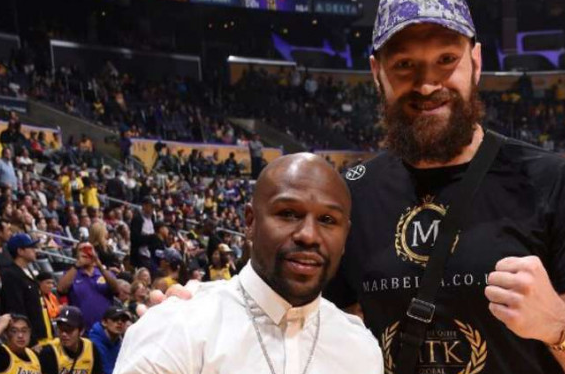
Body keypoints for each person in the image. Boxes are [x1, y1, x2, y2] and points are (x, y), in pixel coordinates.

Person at [324, 0, 565, 374]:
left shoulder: (552, 181)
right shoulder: (351, 194)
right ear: (377, 72)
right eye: (405, 65)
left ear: (475, 62)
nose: (427, 84)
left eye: (446, 59)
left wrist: (560, 325)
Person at [113, 153, 382, 374]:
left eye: (327, 220)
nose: (309, 235)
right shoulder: (177, 328)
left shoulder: (360, 349)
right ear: (251, 222)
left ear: (345, 236)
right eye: (288, 213)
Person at [0, 233, 52, 346]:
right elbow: (17, 309)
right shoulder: (11, 275)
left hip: (40, 333)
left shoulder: (27, 271)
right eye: (31, 247)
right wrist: (30, 340)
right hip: (28, 340)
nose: (35, 250)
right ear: (20, 251)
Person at [57, 242, 123, 331]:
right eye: (82, 249)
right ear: (76, 255)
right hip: (83, 328)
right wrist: (77, 265)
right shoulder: (72, 273)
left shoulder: (104, 273)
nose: (87, 252)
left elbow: (117, 290)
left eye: (90, 249)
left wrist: (100, 266)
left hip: (106, 327)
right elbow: (61, 289)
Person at [38, 306, 103, 374]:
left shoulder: (90, 348)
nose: (64, 334)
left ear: (81, 331)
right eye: (61, 329)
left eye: (69, 330)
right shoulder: (50, 351)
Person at [89, 306, 132, 374]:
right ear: (104, 322)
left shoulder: (119, 342)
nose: (120, 322)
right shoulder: (93, 343)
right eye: (115, 319)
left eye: (123, 320)